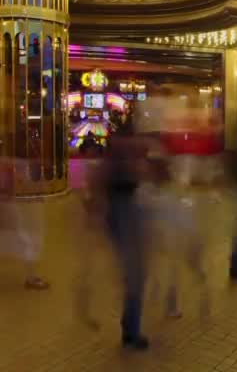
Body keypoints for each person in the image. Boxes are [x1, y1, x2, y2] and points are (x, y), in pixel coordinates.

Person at [102, 125, 150, 350]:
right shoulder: (120, 162)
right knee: (136, 275)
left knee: (135, 275)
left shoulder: (113, 159)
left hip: (122, 215)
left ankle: (130, 325)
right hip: (124, 216)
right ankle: (131, 330)